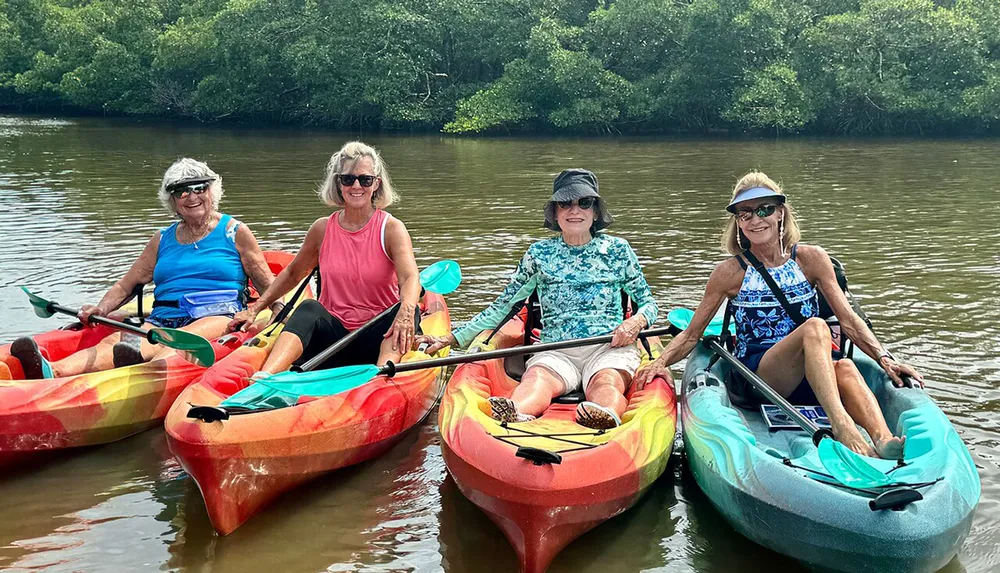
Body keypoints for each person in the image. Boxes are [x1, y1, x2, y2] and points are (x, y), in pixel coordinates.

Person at [634, 171, 923, 458]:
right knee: (815, 327)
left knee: (845, 367)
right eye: (745, 214)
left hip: (813, 372)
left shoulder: (812, 259)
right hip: (761, 376)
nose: (756, 220)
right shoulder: (730, 273)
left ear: (780, 213)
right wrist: (659, 362)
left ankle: (883, 441)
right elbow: (692, 334)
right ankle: (843, 425)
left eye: (764, 209)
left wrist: (885, 359)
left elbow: (848, 320)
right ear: (738, 223)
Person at [419, 169, 658, 430]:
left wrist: (635, 322)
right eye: (565, 203)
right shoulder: (538, 254)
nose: (574, 210)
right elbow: (504, 306)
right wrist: (452, 338)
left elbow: (649, 304)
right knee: (536, 378)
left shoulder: (618, 250)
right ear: (555, 213)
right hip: (555, 349)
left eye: (584, 203)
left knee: (606, 381)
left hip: (607, 347)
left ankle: (603, 414)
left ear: (596, 212)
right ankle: (516, 412)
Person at [10, 158, 278, 379]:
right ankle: (52, 371)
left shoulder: (235, 232)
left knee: (172, 339)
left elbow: (267, 282)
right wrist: (100, 309)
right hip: (164, 315)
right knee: (114, 342)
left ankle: (139, 364)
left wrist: (277, 314)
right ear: (172, 201)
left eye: (199, 187)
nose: (192, 195)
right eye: (182, 190)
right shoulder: (162, 239)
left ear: (212, 191)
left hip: (218, 314)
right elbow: (127, 285)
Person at [230, 141, 420, 375]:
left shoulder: (391, 228)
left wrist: (407, 311)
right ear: (339, 183)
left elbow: (410, 277)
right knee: (309, 307)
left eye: (365, 179)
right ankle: (265, 379)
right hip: (333, 339)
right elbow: (292, 273)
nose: (356, 186)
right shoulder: (322, 229)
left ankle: (379, 380)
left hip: (377, 335)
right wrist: (255, 309)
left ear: (376, 184)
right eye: (348, 179)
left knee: (404, 311)